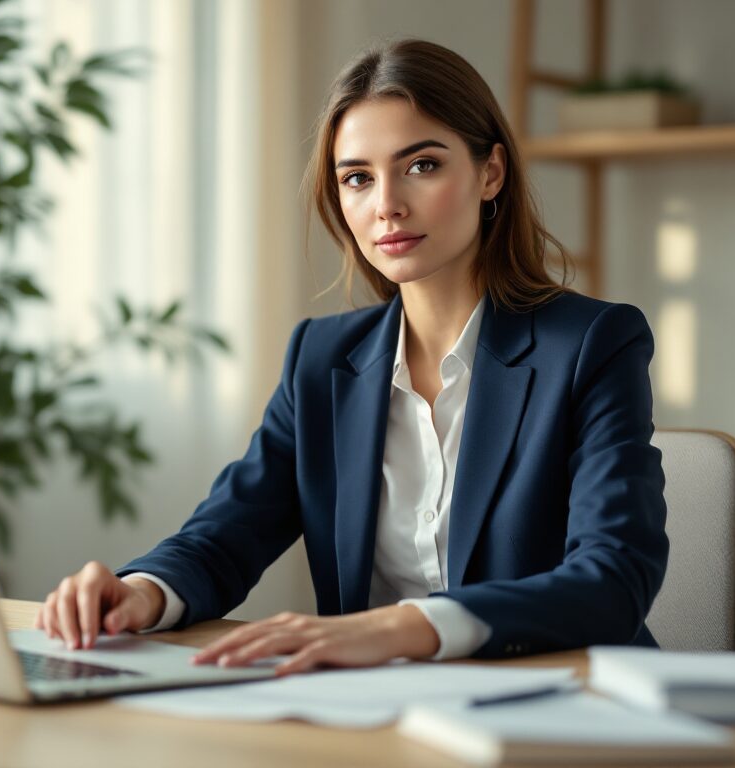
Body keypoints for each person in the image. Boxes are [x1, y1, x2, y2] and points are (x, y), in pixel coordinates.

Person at [34, 38, 668, 674]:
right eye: (358, 177)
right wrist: (142, 593)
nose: (386, 203)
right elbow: (226, 537)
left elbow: (613, 579)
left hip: (556, 708)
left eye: (421, 165)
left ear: (490, 173)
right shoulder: (322, 358)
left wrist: (403, 627)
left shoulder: (592, 345)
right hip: (372, 714)